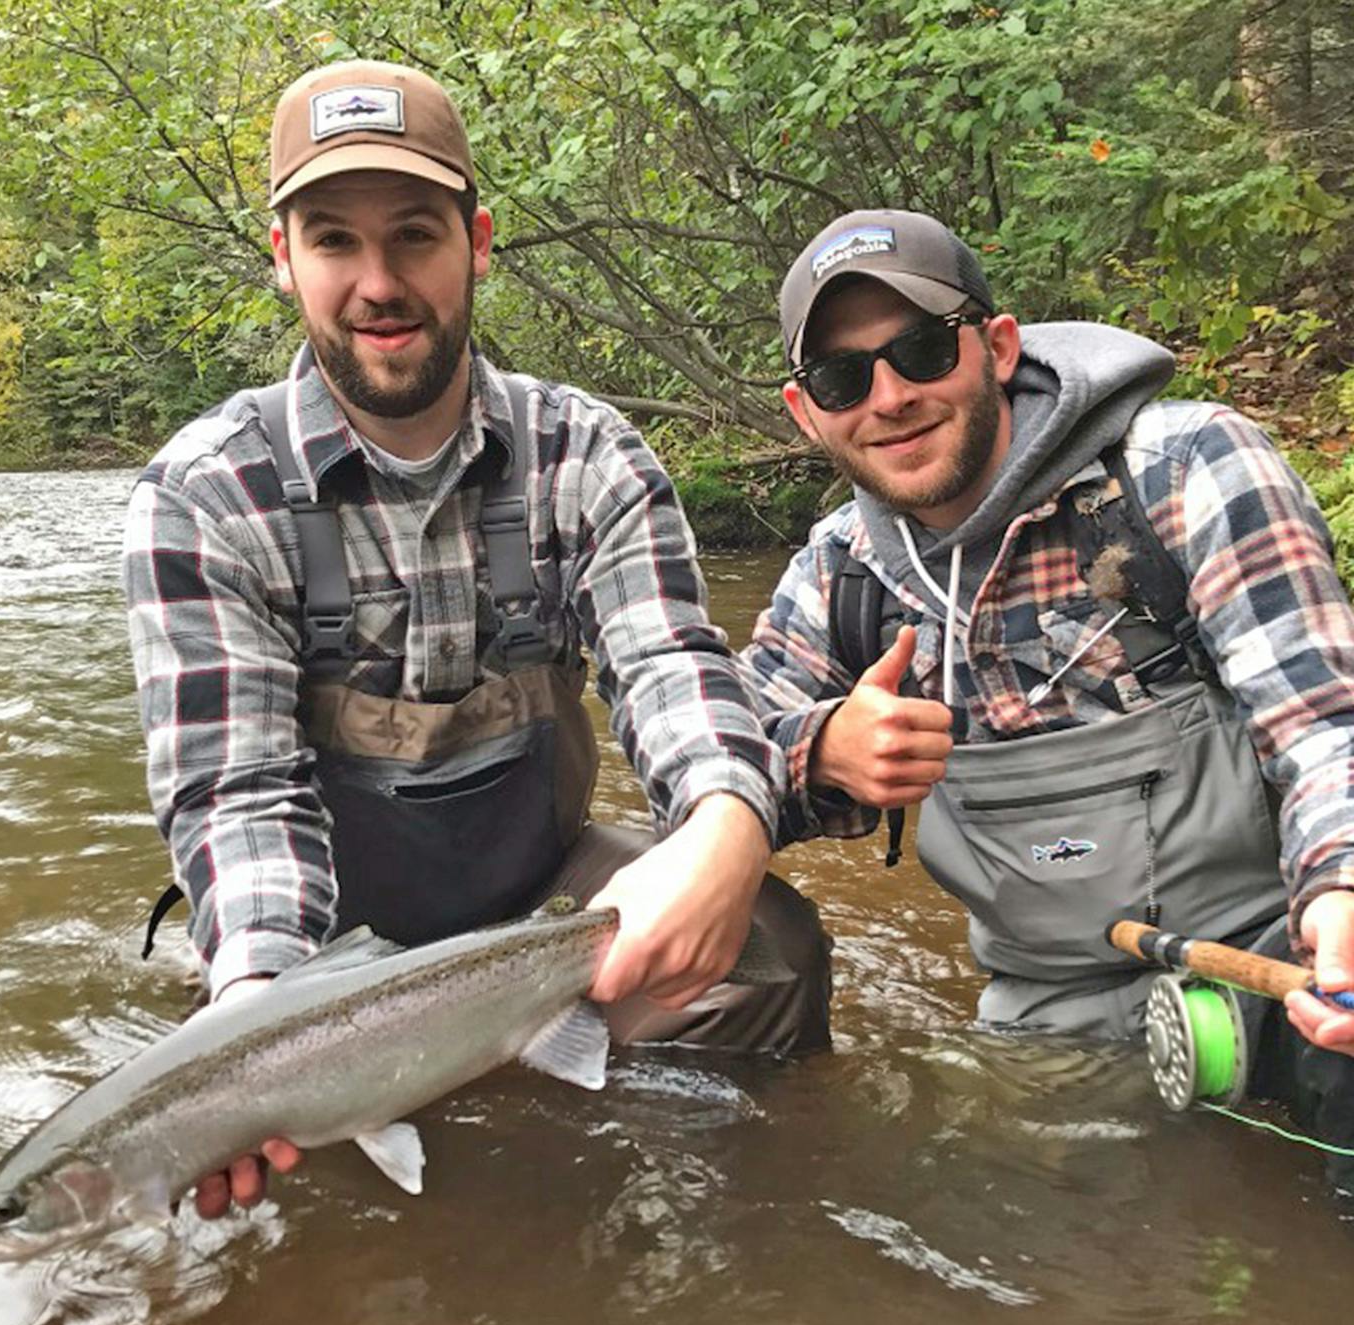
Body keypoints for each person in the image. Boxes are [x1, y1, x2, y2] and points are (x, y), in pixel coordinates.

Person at [122, 60, 830, 1219]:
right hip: (322, 949)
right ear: (282, 256)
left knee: (768, 943)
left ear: (478, 241)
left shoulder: (585, 454)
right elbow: (236, 792)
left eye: (413, 234)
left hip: (537, 902)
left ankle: (701, 1223)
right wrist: (258, 1007)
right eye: (334, 241)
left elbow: (672, 670)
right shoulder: (205, 496)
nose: (378, 282)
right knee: (298, 1189)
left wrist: (725, 826)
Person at [741, 207, 1354, 1170]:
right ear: (805, 409)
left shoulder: (1188, 472)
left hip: (1295, 964)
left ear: (996, 345)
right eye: (842, 376)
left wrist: (1342, 888)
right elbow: (708, 778)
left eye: (920, 348)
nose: (890, 396)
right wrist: (823, 751)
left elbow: (1321, 722)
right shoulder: (839, 576)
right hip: (1043, 1028)